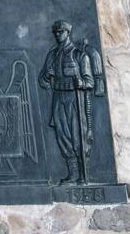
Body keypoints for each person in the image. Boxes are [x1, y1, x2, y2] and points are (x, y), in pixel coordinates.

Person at [39, 20, 105, 186]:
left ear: (68, 32)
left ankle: (84, 174)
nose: (57, 34)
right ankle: (73, 174)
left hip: (75, 100)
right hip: (58, 98)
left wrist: (81, 83)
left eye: (60, 32)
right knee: (63, 137)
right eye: (55, 32)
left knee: (78, 136)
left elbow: (90, 82)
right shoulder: (52, 55)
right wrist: (47, 76)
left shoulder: (79, 55)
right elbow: (42, 81)